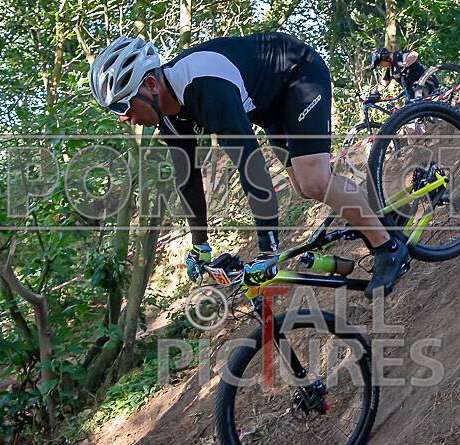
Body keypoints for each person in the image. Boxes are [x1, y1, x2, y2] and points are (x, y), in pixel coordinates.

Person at [89, 34, 409, 299]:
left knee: (314, 180)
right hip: (269, 105)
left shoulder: (204, 86)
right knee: (303, 186)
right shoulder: (170, 119)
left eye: (122, 104)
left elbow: (251, 166)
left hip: (299, 73)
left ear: (149, 85)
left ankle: (389, 247)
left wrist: (268, 251)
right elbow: (187, 180)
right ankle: (379, 221)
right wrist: (199, 245)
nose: (122, 117)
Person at [368, 46, 439, 98]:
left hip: (425, 83)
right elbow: (383, 83)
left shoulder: (398, 56)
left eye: (381, 64)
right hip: (412, 90)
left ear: (384, 58)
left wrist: (403, 66)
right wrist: (370, 93)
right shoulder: (390, 68)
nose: (382, 66)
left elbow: (414, 54)